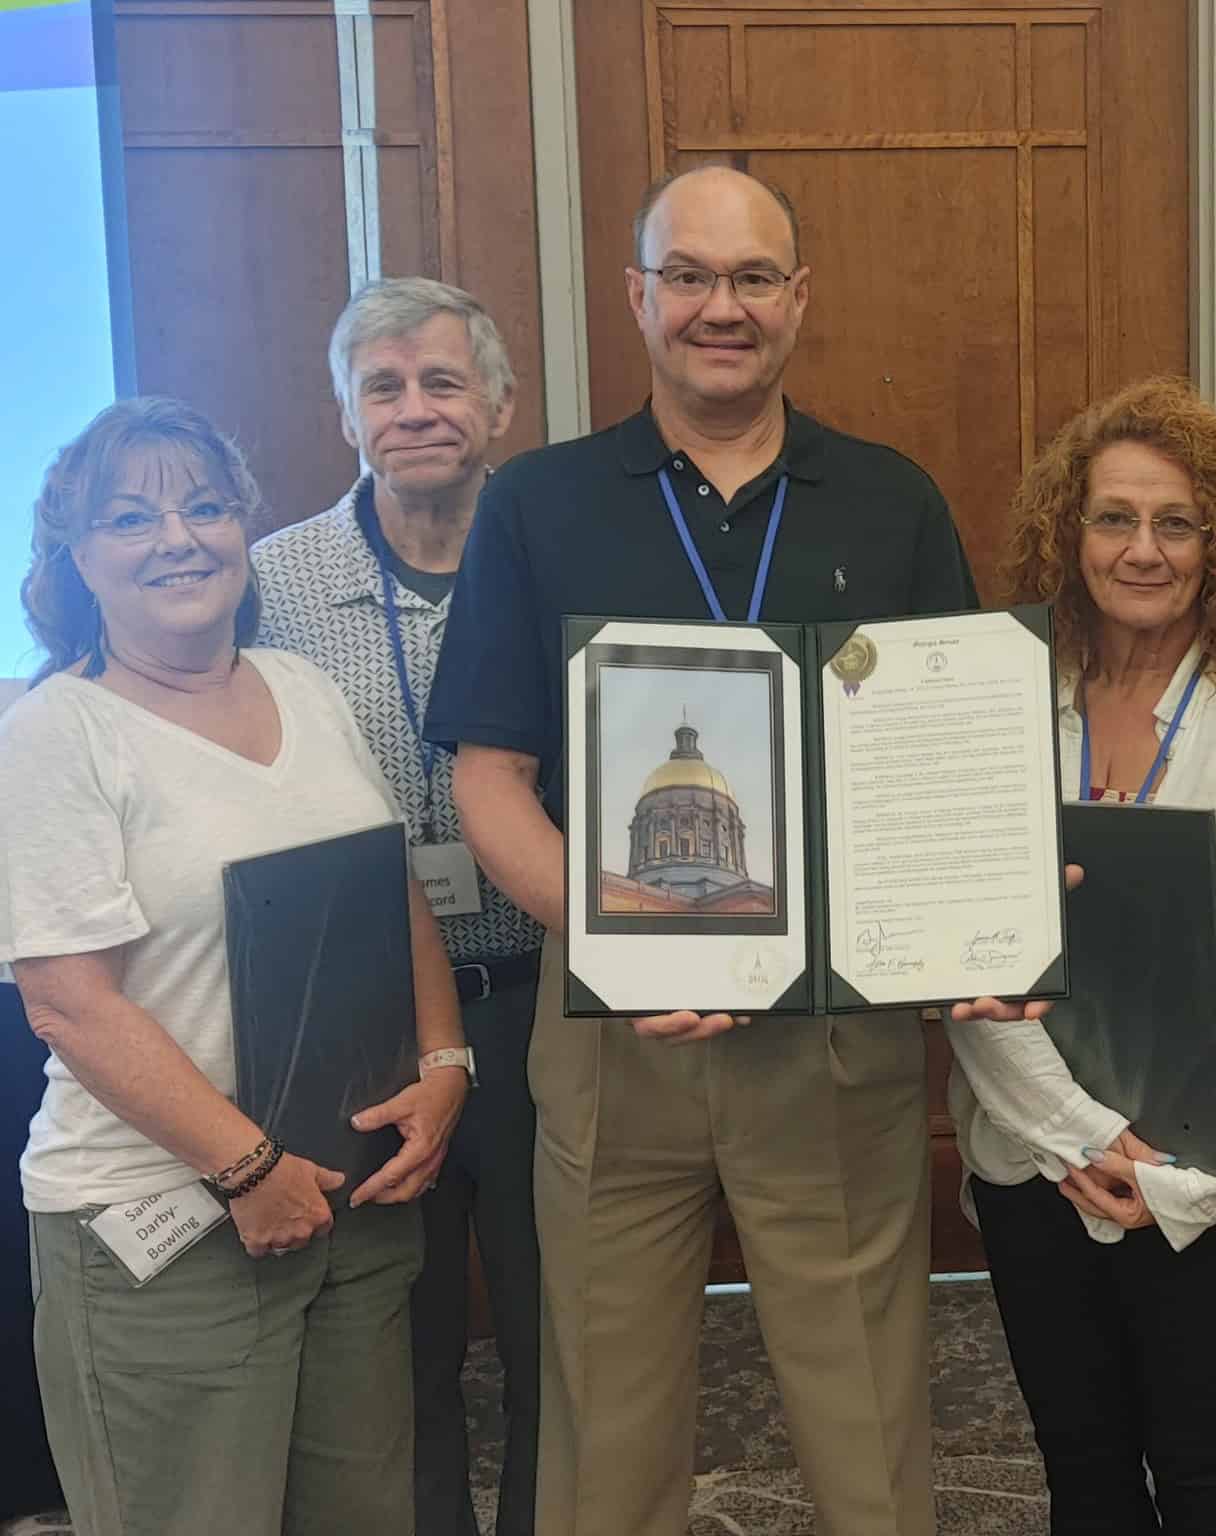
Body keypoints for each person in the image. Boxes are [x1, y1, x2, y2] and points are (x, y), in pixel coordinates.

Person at [422, 164, 977, 1535]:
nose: (719, 308)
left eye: (751, 279)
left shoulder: (890, 501)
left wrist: (982, 912)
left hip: (829, 1036)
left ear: (798, 301)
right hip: (616, 1037)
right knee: (603, 1432)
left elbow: (940, 767)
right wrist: (625, 939)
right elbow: (489, 780)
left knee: (868, 1425)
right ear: (638, 296)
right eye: (689, 277)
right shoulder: (539, 504)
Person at [0, 396, 469, 1535]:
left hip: (347, 1199)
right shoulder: (59, 732)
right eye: (129, 519)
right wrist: (246, 1170)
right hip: (166, 1227)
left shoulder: (303, 688)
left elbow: (391, 888)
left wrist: (448, 1061)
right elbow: (68, 1002)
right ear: (75, 558)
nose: (177, 538)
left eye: (204, 508)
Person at [943, 378, 1216, 1533]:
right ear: (1068, 535)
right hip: (1033, 1167)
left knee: (1207, 1473)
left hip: (1215, 1179)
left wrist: (1180, 1180)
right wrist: (1080, 1138)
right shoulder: (1000, 703)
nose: (1143, 550)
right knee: (1084, 1472)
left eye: (1176, 522)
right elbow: (964, 959)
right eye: (1113, 517)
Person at [251, 276, 543, 1536]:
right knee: (397, 1345)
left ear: (500, 406)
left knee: (560, 1331)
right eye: (384, 386)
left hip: (543, 1001)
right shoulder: (271, 581)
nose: (416, 409)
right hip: (369, 1022)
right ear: (344, 413)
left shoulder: (552, 553)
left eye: (443, 382)